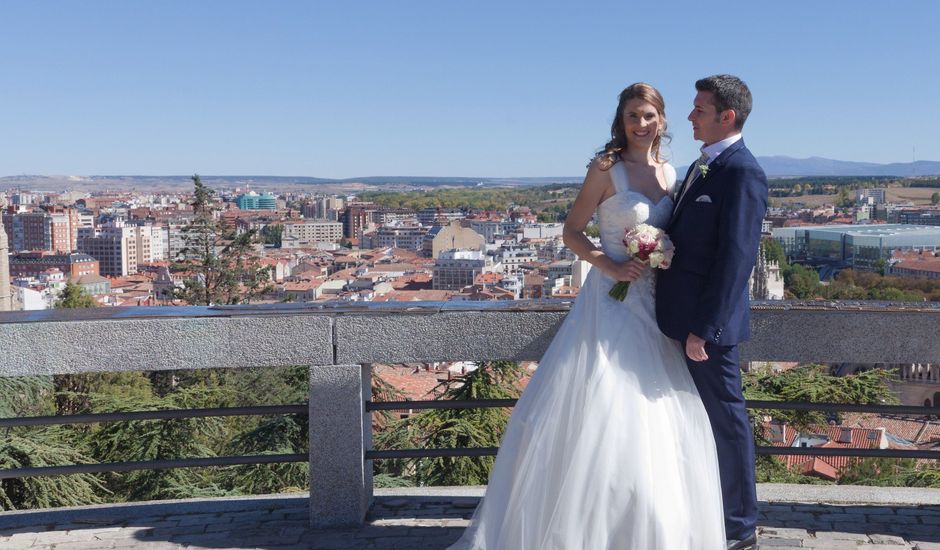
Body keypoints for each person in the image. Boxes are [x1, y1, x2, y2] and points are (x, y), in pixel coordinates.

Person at [448, 83, 725, 550]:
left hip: (655, 304)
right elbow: (572, 233)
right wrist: (611, 265)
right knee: (604, 405)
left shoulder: (670, 172)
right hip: (610, 303)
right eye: (633, 116)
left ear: (662, 120)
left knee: (655, 411)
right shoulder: (605, 169)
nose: (641, 124)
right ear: (621, 120)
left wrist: (662, 257)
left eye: (649, 116)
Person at [656, 74, 768, 550]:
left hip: (708, 330)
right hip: (677, 320)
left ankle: (740, 528)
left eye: (699, 109)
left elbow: (737, 259)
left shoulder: (742, 172)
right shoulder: (705, 166)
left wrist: (705, 327)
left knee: (726, 423)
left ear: (727, 116)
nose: (689, 117)